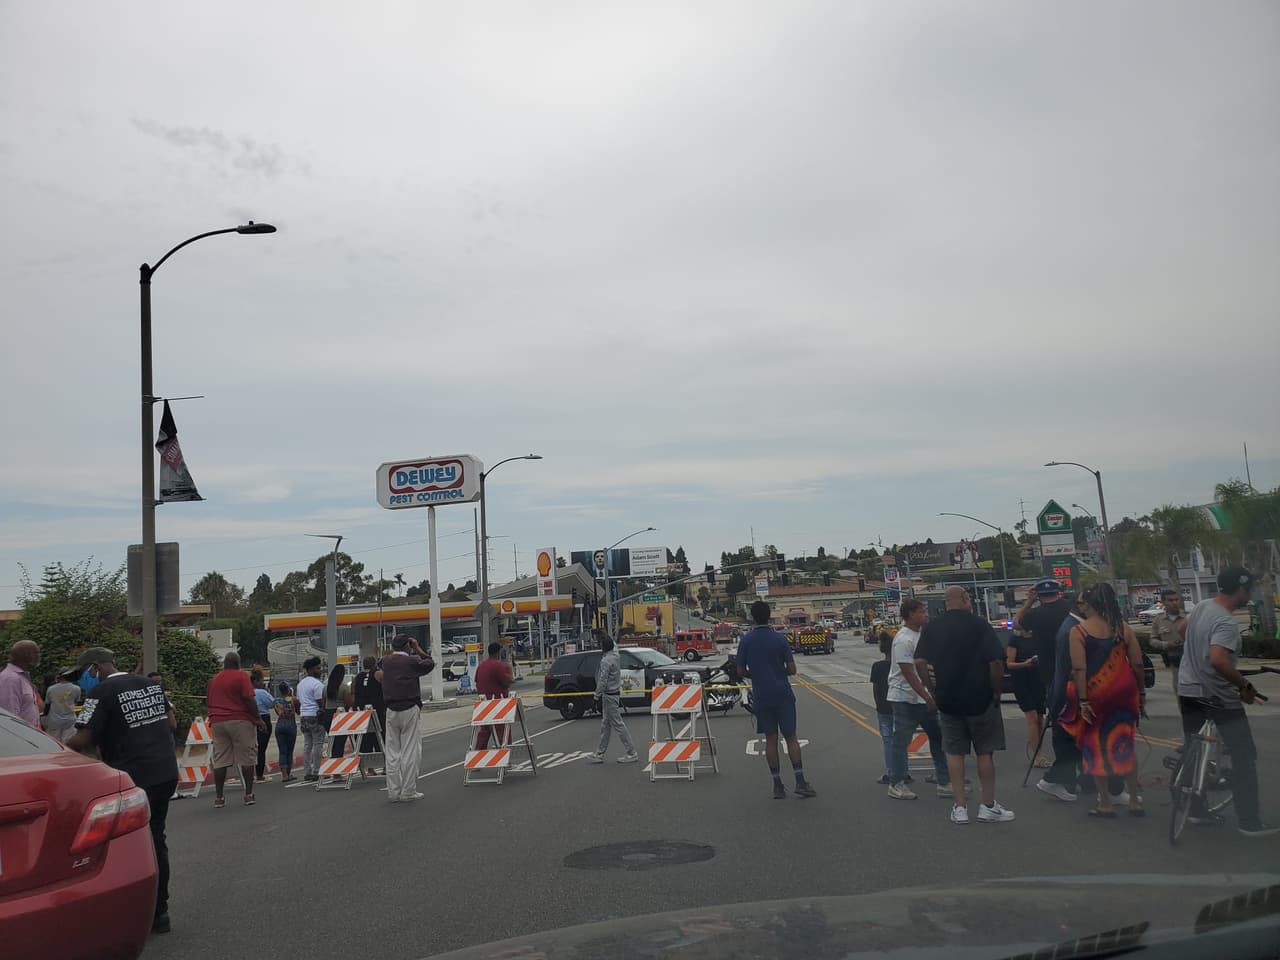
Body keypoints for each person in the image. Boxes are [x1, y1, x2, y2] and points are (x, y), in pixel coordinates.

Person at [67, 647, 179, 935]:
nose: (83, 680)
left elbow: (84, 737)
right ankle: (160, 911)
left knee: (124, 845)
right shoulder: (150, 684)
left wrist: (57, 751)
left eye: (83, 674)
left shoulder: (100, 693)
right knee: (156, 837)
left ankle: (128, 911)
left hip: (133, 778)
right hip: (165, 771)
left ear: (95, 668)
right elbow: (171, 723)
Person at [1178, 567, 1277, 837]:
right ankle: (1249, 821)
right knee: (1244, 756)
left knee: (1192, 750)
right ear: (1241, 589)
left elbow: (1181, 630)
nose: (1253, 594)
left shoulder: (1202, 606)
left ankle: (1195, 809)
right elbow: (1219, 660)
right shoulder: (1225, 622)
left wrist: (1195, 654)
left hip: (1187, 690)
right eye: (1251, 589)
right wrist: (1244, 685)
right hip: (1217, 696)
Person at [915, 586, 1013, 824]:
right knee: (984, 752)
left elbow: (919, 661)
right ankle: (987, 805)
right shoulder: (979, 625)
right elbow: (997, 662)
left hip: (948, 699)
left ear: (946, 602)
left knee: (954, 753)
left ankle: (959, 808)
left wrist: (932, 688)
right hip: (980, 698)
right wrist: (996, 689)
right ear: (966, 599)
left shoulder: (933, 627)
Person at [1057, 583, 1145, 817]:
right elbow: (1137, 663)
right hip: (1124, 691)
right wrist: (1141, 692)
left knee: (1095, 745)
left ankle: (1105, 802)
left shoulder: (1080, 631)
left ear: (1091, 605)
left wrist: (1083, 700)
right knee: (1126, 741)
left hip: (1096, 694)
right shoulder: (1123, 628)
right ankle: (1134, 799)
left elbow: (1078, 668)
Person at [734, 600, 816, 799]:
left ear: (752, 617)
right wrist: (778, 672)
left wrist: (757, 675)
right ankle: (800, 781)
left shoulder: (746, 640)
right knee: (791, 737)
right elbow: (792, 669)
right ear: (769, 615)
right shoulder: (779, 639)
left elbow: (740, 670)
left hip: (762, 695)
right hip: (783, 694)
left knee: (770, 739)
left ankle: (777, 784)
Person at [886, 599, 951, 800]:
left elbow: (926, 665)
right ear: (911, 614)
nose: (926, 615)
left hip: (924, 697)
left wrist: (932, 692)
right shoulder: (903, 639)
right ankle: (896, 783)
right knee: (901, 742)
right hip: (905, 698)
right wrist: (927, 696)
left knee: (939, 739)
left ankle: (944, 781)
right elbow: (908, 672)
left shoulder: (922, 635)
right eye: (922, 612)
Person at [205, 652, 263, 807]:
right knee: (246, 757)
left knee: (220, 760)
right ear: (238, 663)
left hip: (217, 721)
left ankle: (219, 797)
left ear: (224, 663)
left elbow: (208, 702)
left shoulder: (214, 679)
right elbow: (248, 699)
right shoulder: (241, 676)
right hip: (239, 720)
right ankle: (248, 794)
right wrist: (257, 718)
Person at [381, 634, 435, 801]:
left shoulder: (385, 661)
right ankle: (408, 791)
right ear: (407, 646)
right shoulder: (411, 661)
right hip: (409, 707)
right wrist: (418, 648)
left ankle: (393, 792)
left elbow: (378, 666)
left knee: (392, 753)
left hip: (390, 709)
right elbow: (430, 663)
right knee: (410, 751)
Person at [587, 635, 640, 765]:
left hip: (609, 695)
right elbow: (614, 645)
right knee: (605, 725)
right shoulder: (616, 656)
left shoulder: (606, 661)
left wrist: (596, 697)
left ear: (604, 647)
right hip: (613, 694)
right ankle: (599, 753)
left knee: (617, 724)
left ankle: (631, 752)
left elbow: (602, 680)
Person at [1006, 626, 1049, 769]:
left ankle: (1039, 748)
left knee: (1040, 717)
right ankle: (1037, 756)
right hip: (1021, 681)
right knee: (1032, 716)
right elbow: (1009, 663)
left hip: (1038, 680)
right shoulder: (1015, 640)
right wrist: (1024, 664)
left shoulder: (1039, 638)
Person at [1150, 588, 1188, 704]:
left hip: (1191, 660)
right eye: (1170, 600)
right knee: (1180, 692)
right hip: (1174, 660)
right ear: (1163, 602)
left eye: (1176, 599)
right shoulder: (1159, 620)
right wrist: (1167, 644)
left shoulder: (1187, 617)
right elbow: (1152, 640)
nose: (1174, 603)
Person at [474, 642, 515, 750]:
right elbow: (507, 681)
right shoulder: (498, 665)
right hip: (498, 703)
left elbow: (477, 681)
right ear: (498, 652)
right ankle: (505, 755)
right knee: (503, 731)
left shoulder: (481, 665)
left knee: (484, 731)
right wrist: (510, 672)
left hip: (484, 703)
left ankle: (478, 756)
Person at [297, 657, 327, 781]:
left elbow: (299, 702)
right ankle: (317, 771)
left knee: (307, 745)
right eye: (318, 668)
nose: (320, 671)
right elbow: (320, 702)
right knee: (318, 744)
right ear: (311, 669)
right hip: (315, 715)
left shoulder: (300, 684)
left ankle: (307, 772)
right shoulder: (317, 684)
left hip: (304, 716)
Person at [870, 631, 894, 785]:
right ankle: (904, 772)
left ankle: (891, 772)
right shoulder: (900, 665)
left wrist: (878, 705)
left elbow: (876, 690)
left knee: (888, 741)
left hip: (884, 707)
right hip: (900, 706)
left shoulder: (877, 666)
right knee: (901, 741)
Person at [0, 639, 41, 728]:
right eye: (36, 653)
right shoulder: (11, 679)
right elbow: (9, 717)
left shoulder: (22, 678)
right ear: (25, 655)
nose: (39, 656)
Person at [352, 656, 386, 758]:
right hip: (377, 710)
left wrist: (355, 708)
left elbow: (353, 694)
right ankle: (385, 763)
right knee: (381, 738)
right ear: (374, 664)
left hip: (362, 711)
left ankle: (370, 767)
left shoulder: (357, 677)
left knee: (365, 740)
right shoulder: (378, 674)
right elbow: (387, 689)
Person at [43, 667, 82, 742]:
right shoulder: (77, 689)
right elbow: (76, 702)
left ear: (59, 676)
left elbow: (47, 705)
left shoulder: (51, 689)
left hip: (54, 720)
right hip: (70, 720)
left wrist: (44, 715)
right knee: (68, 743)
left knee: (54, 743)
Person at [322, 664, 350, 759]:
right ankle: (337, 766)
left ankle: (332, 761)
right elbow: (348, 702)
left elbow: (323, 702)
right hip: (340, 715)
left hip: (328, 715)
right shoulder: (344, 687)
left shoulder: (326, 688)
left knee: (333, 740)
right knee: (340, 742)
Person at [251, 670, 274, 782]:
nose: (262, 683)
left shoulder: (247, 692)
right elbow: (271, 704)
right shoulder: (262, 692)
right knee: (261, 749)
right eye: (261, 681)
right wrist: (266, 691)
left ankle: (250, 774)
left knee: (251, 749)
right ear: (256, 681)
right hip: (263, 718)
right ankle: (259, 774)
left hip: (250, 720)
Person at [273, 682, 298, 782]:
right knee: (289, 751)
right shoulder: (293, 699)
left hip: (280, 725)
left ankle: (284, 775)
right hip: (290, 725)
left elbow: (277, 712)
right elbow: (297, 710)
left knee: (282, 751)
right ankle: (288, 773)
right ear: (288, 689)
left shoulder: (276, 701)